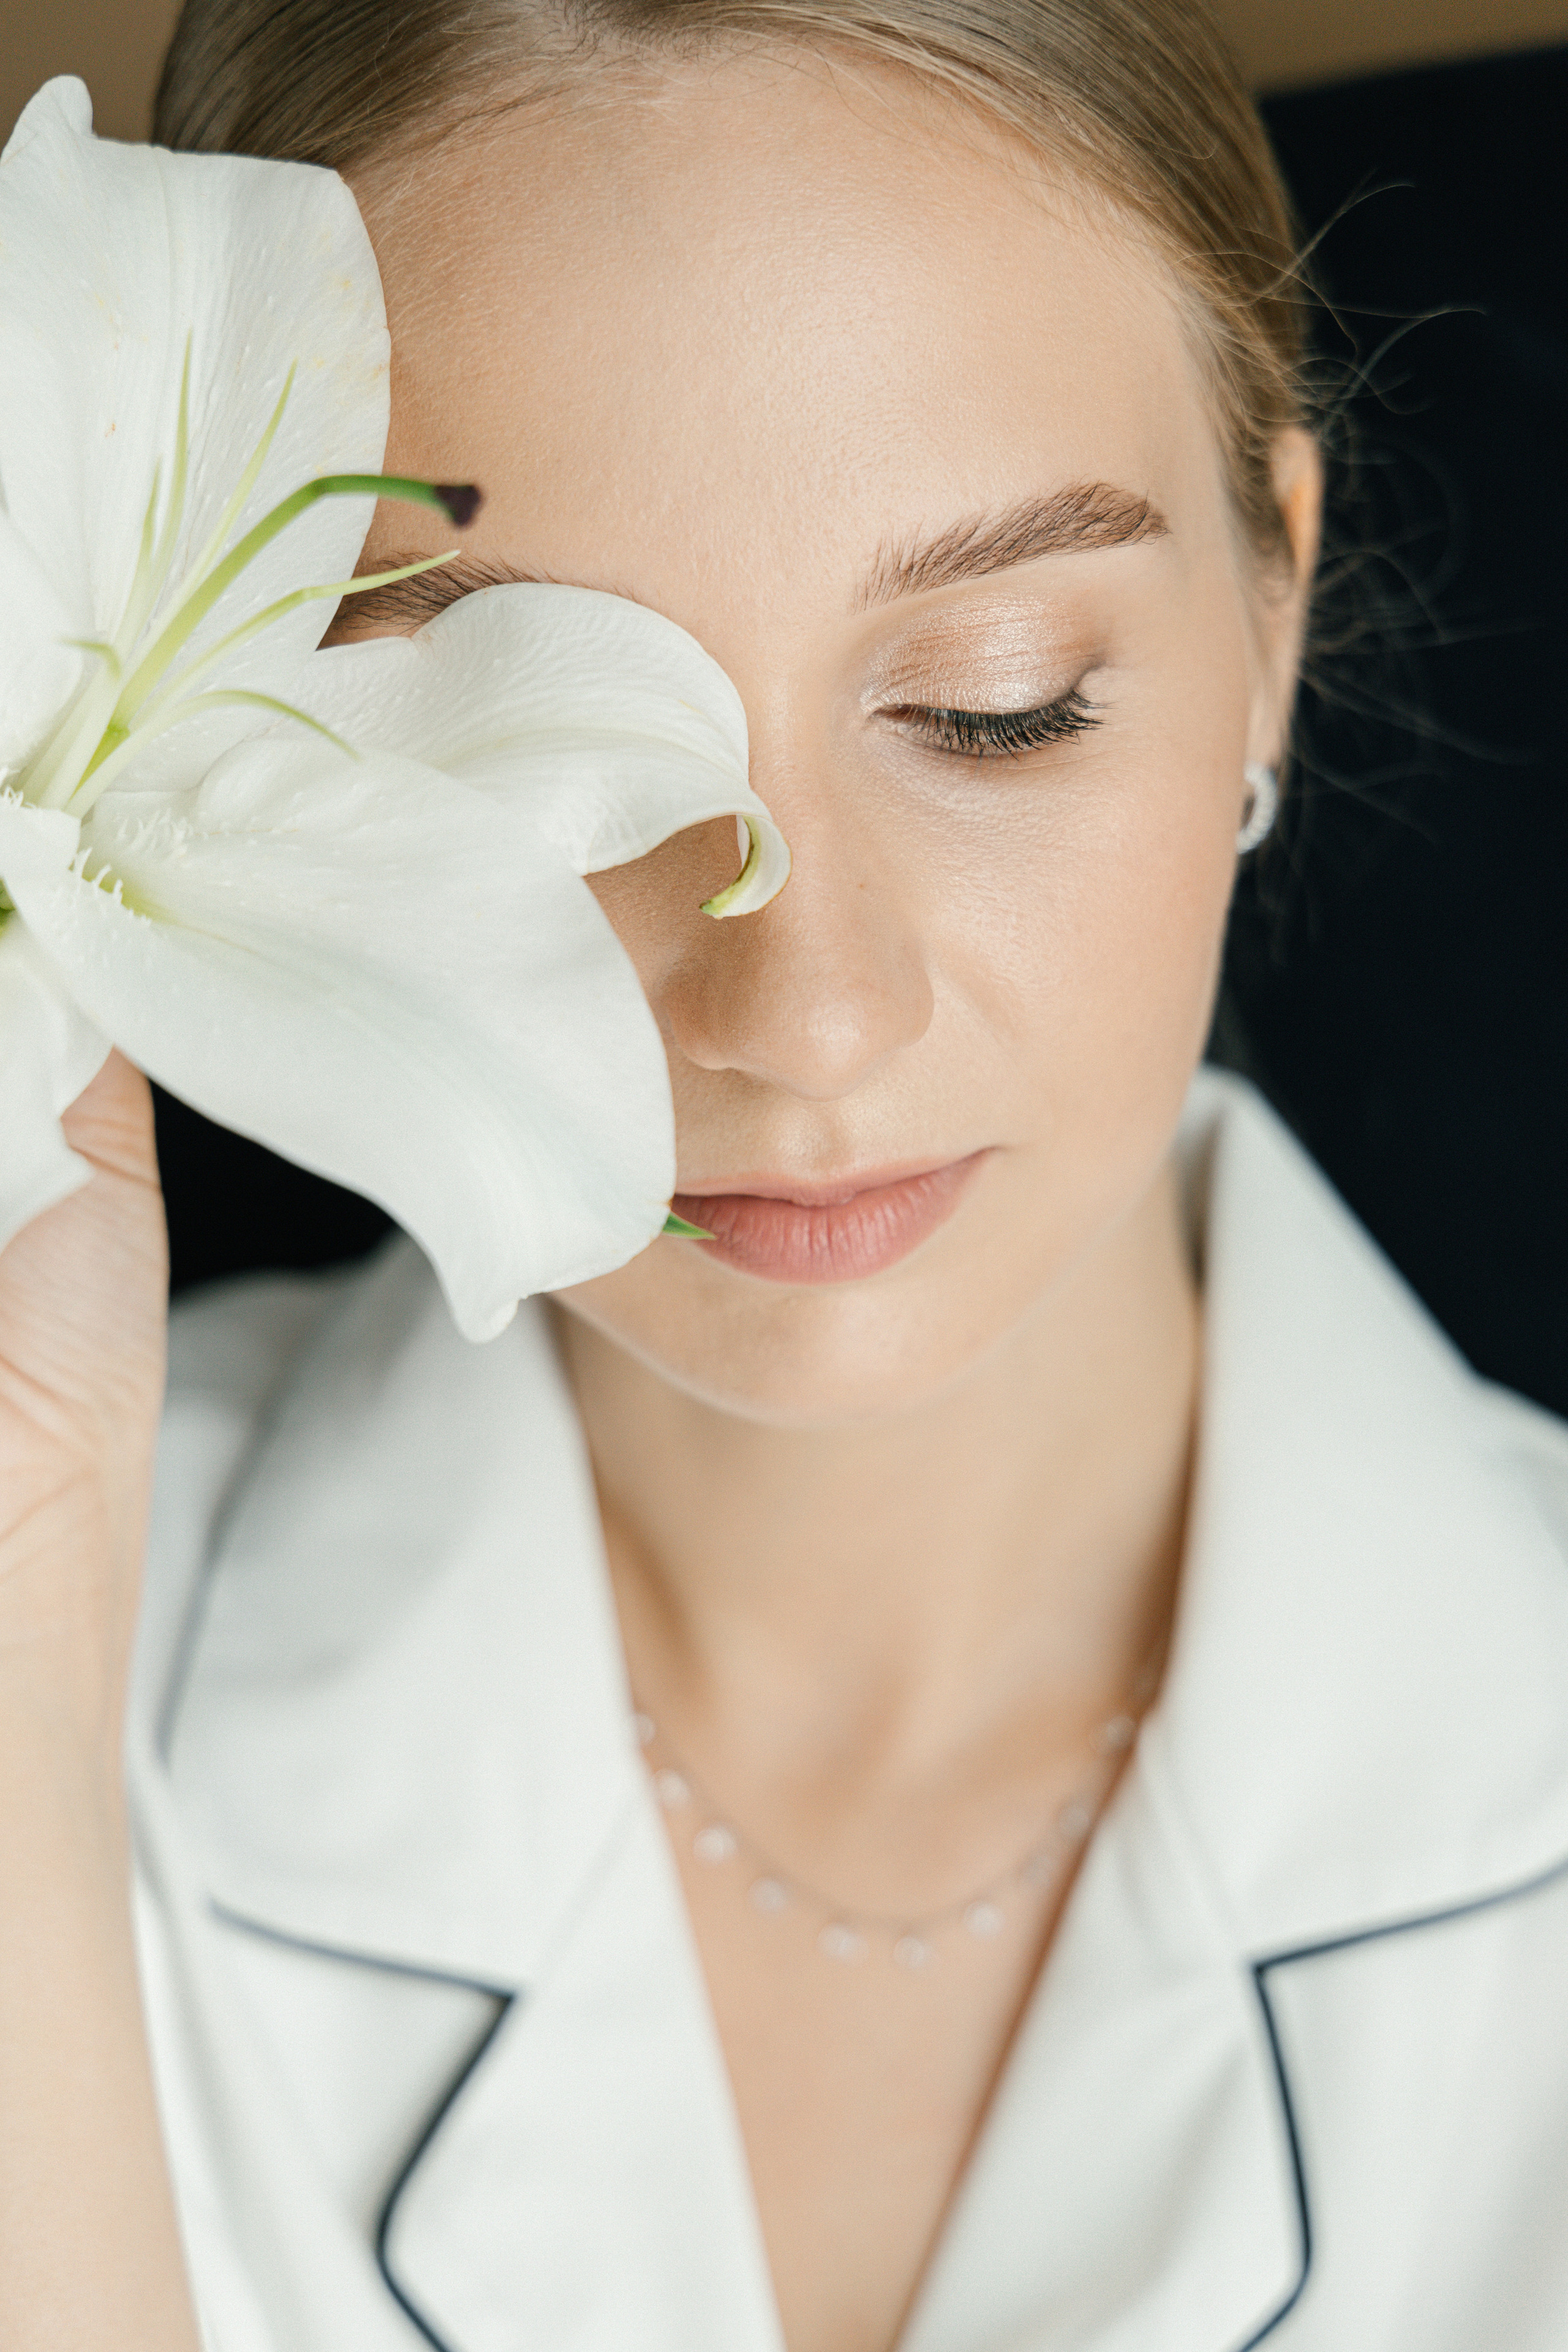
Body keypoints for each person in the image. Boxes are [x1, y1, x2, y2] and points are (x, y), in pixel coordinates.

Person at [5, 2, 1568, 2347]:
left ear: (1270, 615)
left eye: (997, 704)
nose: (803, 1014)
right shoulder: (59, 1653)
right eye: (532, 735)